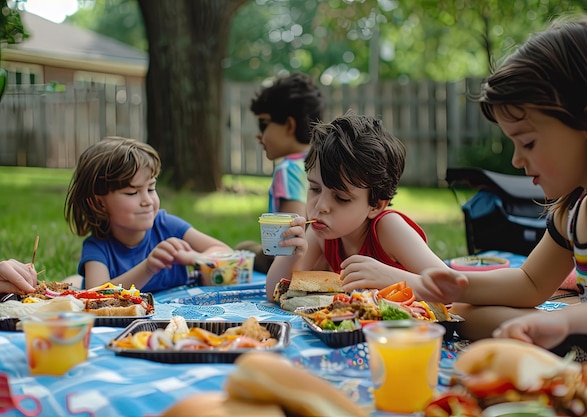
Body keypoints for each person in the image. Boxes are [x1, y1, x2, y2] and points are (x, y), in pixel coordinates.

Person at [414, 14, 587, 363]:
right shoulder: (571, 215)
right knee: (466, 310)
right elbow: (531, 282)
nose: (516, 160)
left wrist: (565, 319)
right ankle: (576, 352)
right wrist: (460, 284)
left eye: (527, 143)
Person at [264, 113, 449, 300]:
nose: (320, 206)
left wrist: (390, 278)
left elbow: (450, 288)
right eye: (315, 188)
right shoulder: (321, 232)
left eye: (341, 198)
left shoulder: (389, 228)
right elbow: (274, 293)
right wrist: (292, 256)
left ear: (375, 205)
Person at [64, 137, 232, 292]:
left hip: (175, 321)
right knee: (75, 287)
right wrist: (148, 268)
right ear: (98, 203)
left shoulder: (166, 225)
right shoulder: (98, 247)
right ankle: (76, 281)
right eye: (132, 193)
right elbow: (98, 294)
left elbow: (227, 253)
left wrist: (193, 258)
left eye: (151, 188)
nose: (148, 201)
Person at [237, 72, 324, 273]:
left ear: (290, 125)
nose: (259, 135)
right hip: (322, 257)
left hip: (293, 263)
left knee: (242, 248)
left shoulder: (288, 170)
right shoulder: (321, 161)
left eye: (264, 124)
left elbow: (287, 240)